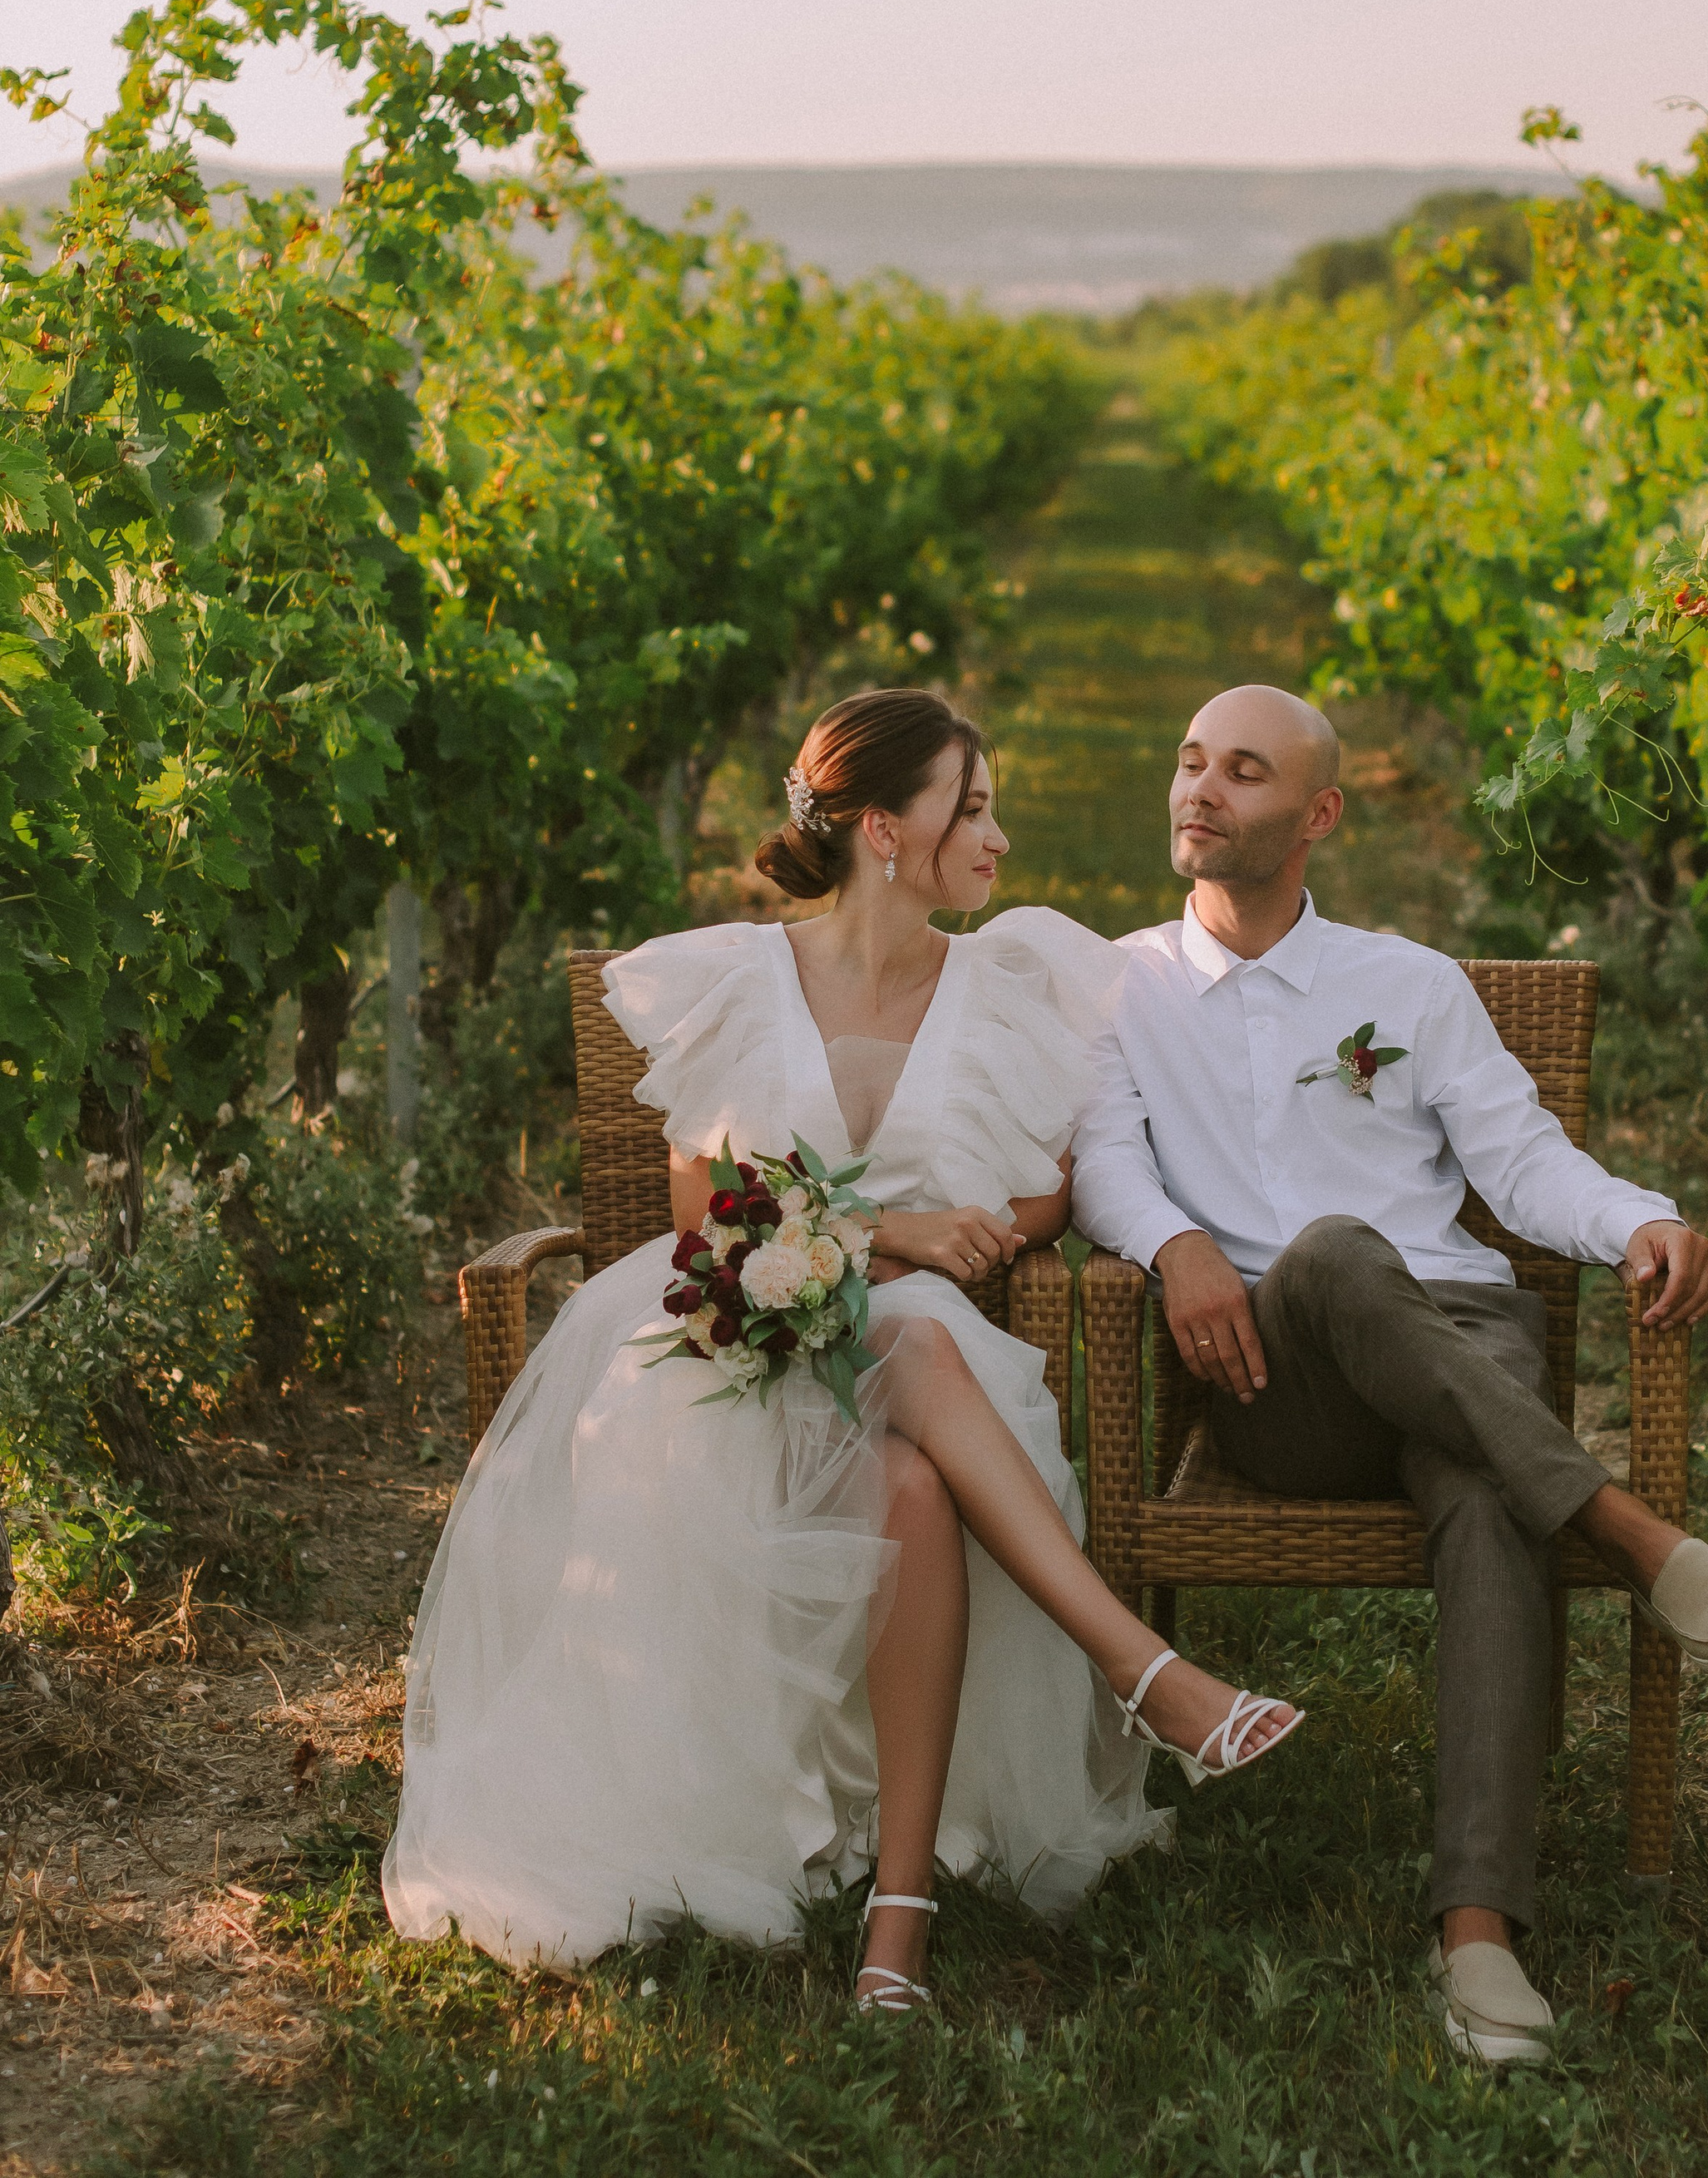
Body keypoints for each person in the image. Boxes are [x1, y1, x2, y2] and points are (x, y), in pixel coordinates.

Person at [383, 687, 1301, 2003]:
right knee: (914, 1337)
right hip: (731, 1336)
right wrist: (901, 1233)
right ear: (884, 828)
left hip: (911, 1368)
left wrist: (964, 1230)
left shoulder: (1004, 976)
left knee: (917, 1438)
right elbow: (710, 1220)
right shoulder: (734, 977)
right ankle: (1136, 1672)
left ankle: (902, 1918)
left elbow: (1043, 1186)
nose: (997, 837)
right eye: (969, 808)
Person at [1070, 683, 1708, 2069]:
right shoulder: (1120, 984)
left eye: (1243, 770)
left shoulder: (1406, 985)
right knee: (1339, 1253)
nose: (1198, 790)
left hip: (1460, 1333)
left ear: (1320, 814)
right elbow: (1103, 1154)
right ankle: (1628, 1531)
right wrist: (1173, 1243)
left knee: (1482, 1479)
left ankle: (1478, 1934)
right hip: (1285, 1375)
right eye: (1188, 763)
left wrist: (1639, 1213)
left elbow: (1519, 1163)